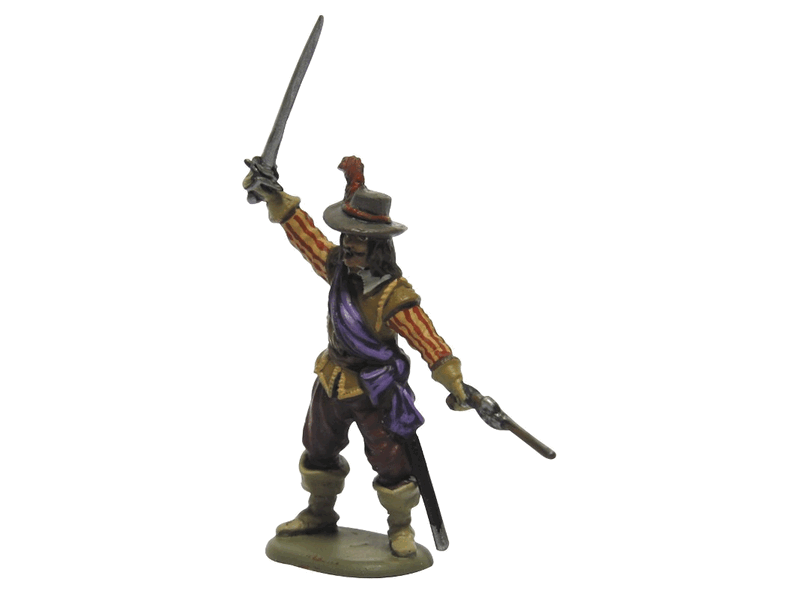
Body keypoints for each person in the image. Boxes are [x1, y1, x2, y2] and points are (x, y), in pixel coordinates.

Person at [243, 156, 468, 558]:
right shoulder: (339, 271)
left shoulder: (394, 296)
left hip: (376, 390)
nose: (347, 249)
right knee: (318, 447)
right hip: (333, 378)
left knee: (392, 462)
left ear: (377, 248)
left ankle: (400, 527)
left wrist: (454, 381)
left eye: (357, 243)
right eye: (346, 241)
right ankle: (319, 512)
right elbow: (307, 238)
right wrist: (274, 196)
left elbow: (428, 339)